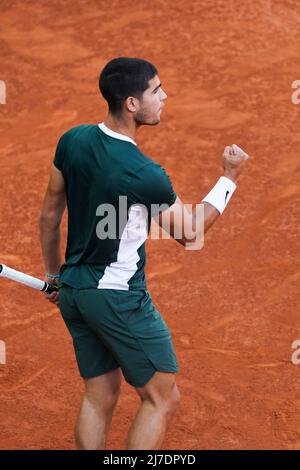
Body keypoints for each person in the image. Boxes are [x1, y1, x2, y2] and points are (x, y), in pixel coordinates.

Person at [39, 57, 249, 450]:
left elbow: (49, 215)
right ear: (132, 104)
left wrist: (54, 276)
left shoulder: (72, 140)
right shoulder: (142, 172)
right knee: (162, 398)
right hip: (118, 298)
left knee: (99, 396)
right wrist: (228, 178)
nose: (164, 96)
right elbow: (190, 233)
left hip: (74, 292)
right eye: (156, 90)